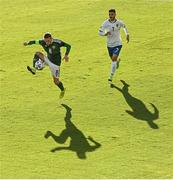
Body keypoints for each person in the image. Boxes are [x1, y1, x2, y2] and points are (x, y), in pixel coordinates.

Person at [23, 32, 71, 98]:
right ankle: (34, 69)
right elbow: (34, 41)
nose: (47, 43)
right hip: (48, 59)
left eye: (48, 41)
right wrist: (27, 43)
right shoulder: (42, 42)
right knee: (37, 53)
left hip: (55, 65)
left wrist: (66, 55)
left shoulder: (57, 42)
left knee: (56, 81)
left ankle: (62, 90)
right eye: (46, 41)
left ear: (51, 38)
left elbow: (68, 46)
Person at [99, 9, 129, 82]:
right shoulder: (105, 23)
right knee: (113, 60)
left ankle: (111, 76)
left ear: (115, 14)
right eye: (109, 14)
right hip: (109, 45)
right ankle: (116, 63)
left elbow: (124, 27)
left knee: (113, 59)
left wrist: (127, 34)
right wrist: (105, 34)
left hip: (118, 44)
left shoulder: (119, 22)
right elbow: (99, 32)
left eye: (112, 14)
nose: (110, 16)